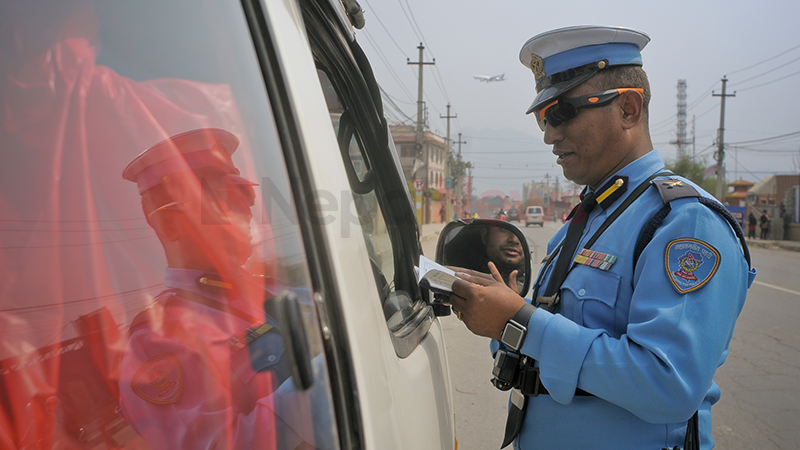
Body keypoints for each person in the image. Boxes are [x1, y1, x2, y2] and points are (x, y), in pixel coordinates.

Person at [446, 26, 755, 450]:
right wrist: (501, 321)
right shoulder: (587, 219)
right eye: (543, 117)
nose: (548, 135)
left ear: (628, 108)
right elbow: (555, 348)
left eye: (562, 113)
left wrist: (521, 320)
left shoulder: (683, 223)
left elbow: (669, 385)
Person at [118, 128, 333, 450]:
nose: (247, 209)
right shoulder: (156, 341)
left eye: (245, 194)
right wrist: (328, 382)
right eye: (227, 197)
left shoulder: (268, 288)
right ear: (169, 223)